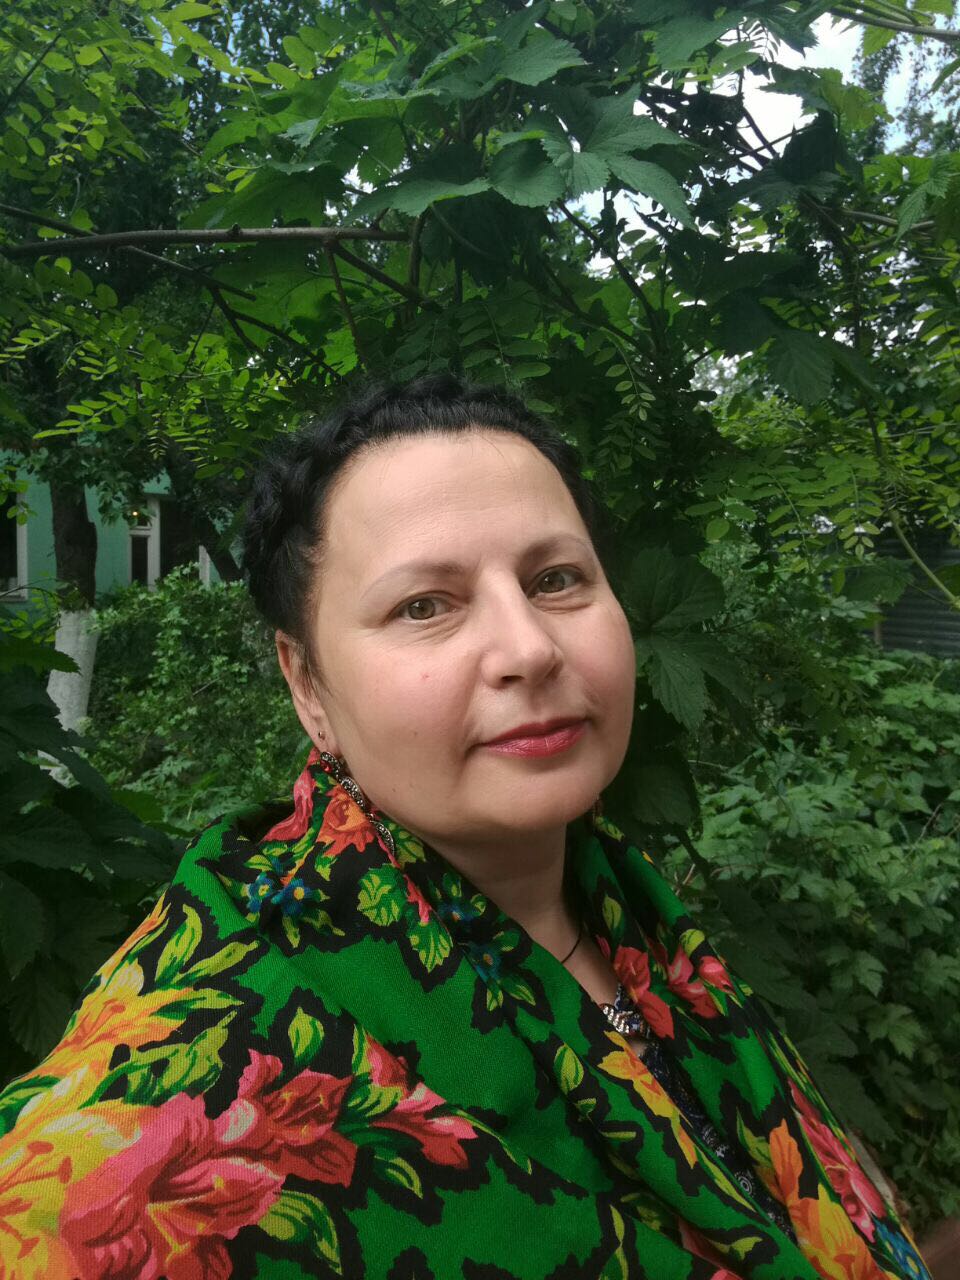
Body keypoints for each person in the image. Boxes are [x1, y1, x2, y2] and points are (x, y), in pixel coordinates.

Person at [0, 376, 930, 1280]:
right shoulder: (179, 1097)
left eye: (557, 579)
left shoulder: (633, 917)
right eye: (424, 606)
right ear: (307, 685)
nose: (530, 648)